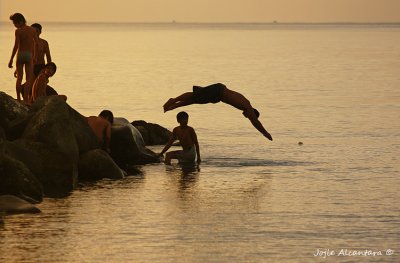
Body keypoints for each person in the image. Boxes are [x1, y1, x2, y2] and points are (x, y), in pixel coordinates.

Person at [163, 83, 273, 141]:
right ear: (253, 113)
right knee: (194, 98)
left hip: (218, 94)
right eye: (249, 117)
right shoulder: (248, 107)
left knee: (196, 98)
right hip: (218, 92)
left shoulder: (246, 104)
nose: (246, 117)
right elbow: (256, 123)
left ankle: (174, 104)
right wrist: (265, 133)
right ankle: (174, 102)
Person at [8, 13, 39, 103]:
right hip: (29, 55)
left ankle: (18, 98)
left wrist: (11, 59)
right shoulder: (32, 30)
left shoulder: (18, 31)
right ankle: (26, 99)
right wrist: (35, 56)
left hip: (21, 54)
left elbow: (16, 46)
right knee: (29, 78)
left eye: (15, 23)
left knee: (19, 78)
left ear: (21, 21)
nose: (15, 25)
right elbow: (37, 43)